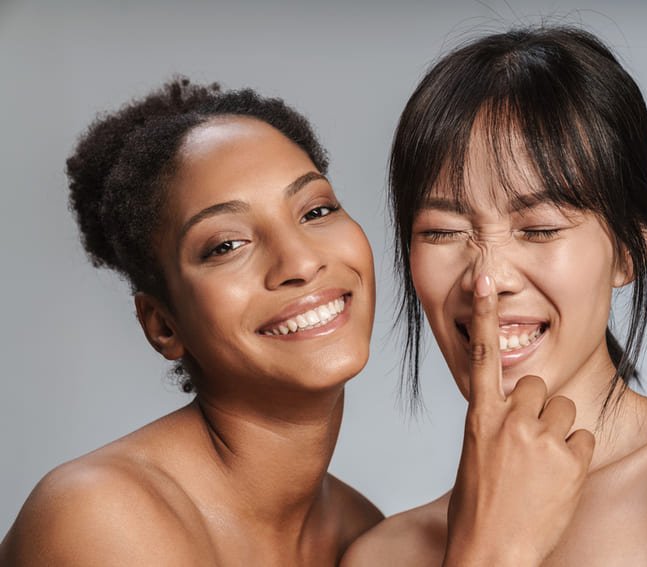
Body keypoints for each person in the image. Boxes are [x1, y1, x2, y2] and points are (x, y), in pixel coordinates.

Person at [343, 26, 647, 565]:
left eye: (539, 229)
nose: (487, 280)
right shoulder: (383, 554)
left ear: (627, 251)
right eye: (442, 232)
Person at [0, 79, 383, 566]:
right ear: (163, 324)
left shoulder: (366, 535)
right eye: (226, 245)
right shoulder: (100, 515)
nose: (301, 263)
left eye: (316, 210)